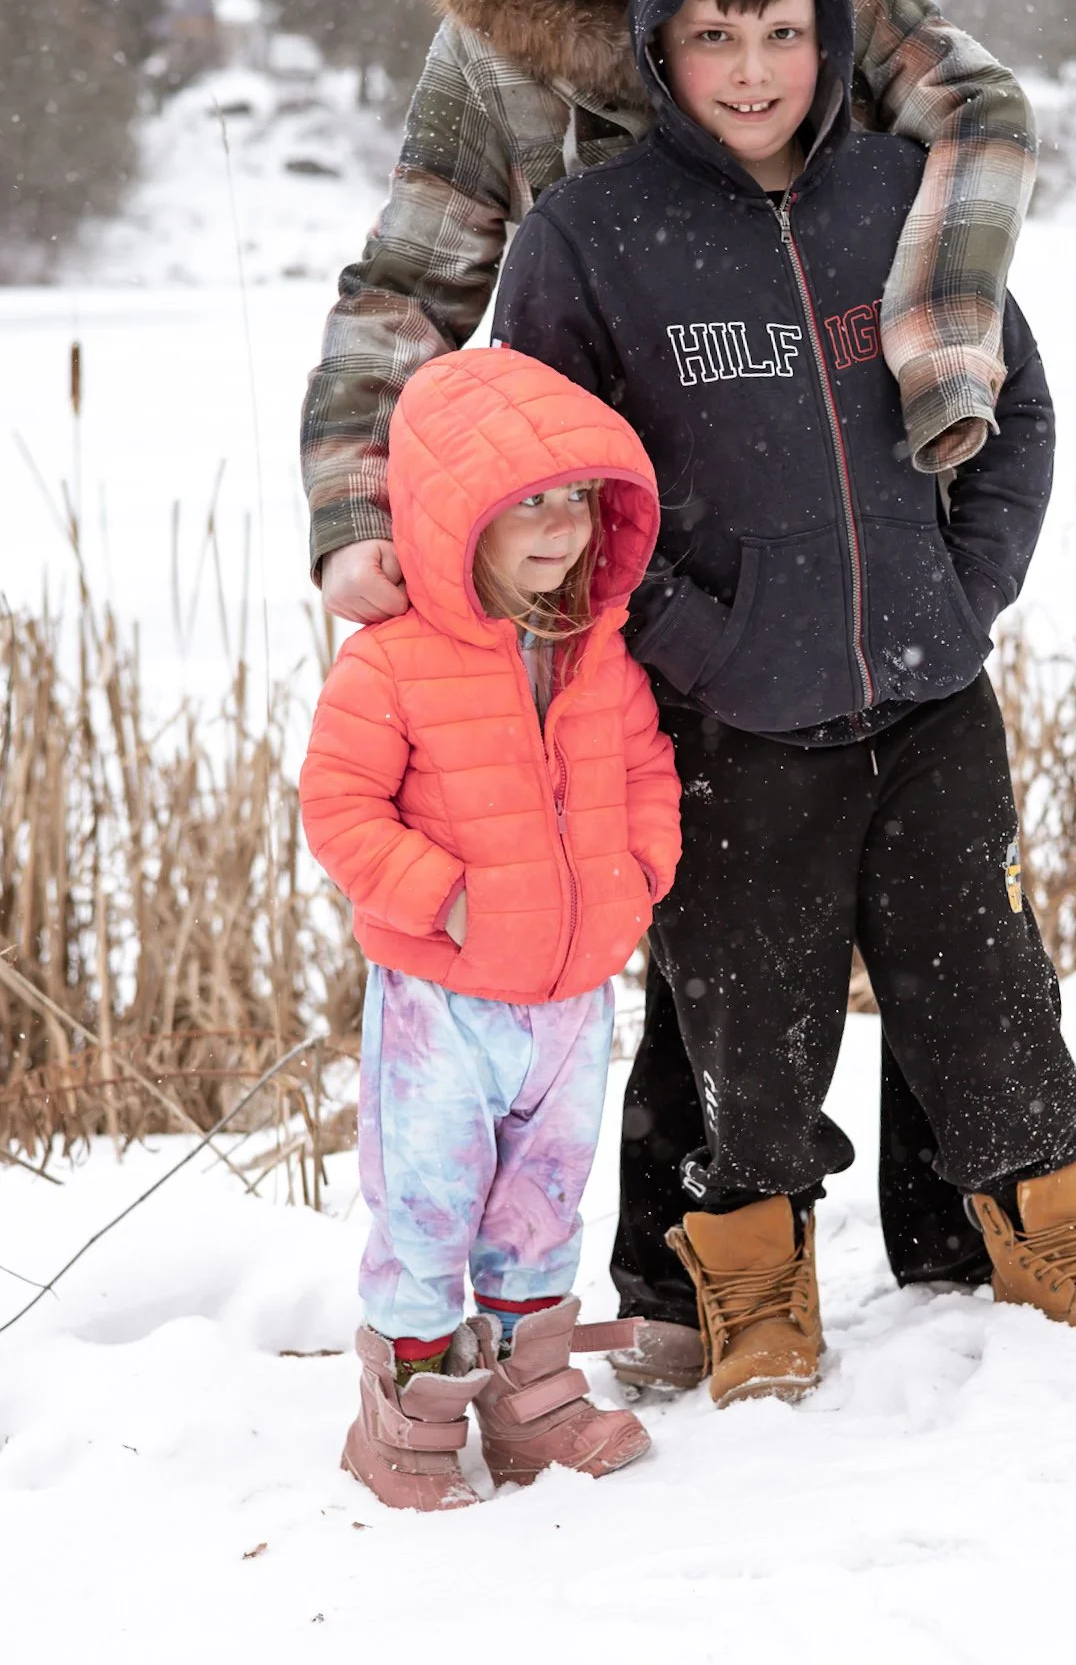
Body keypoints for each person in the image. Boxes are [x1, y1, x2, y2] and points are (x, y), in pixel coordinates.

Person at [300, 0, 1038, 1329]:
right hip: (655, 564)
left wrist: (942, 360)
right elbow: (408, 287)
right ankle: (678, 1268)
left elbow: (968, 107)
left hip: (845, 508)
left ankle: (955, 1239)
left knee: (931, 904)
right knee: (698, 914)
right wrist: (362, 507)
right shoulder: (491, 65)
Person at [492, 0, 1076, 1406]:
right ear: (660, 49)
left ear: (831, 39)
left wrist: (969, 592)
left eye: (786, 36)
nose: (753, 74)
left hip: (931, 690)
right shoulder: (590, 240)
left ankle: (1051, 1241)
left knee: (987, 981)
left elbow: (1013, 406)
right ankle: (752, 1287)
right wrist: (700, 643)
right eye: (716, 40)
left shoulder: (897, 193)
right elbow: (545, 491)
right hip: (732, 724)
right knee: (747, 1020)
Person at [299, 345, 682, 1504]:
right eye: (527, 504)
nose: (560, 527)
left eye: (575, 497)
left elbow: (646, 768)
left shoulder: (597, 655)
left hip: (569, 999)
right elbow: (338, 806)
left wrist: (636, 875)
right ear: (452, 514)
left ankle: (530, 1398)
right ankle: (406, 1410)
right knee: (428, 1198)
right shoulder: (393, 662)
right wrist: (445, 894)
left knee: (543, 1195)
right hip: (443, 1001)